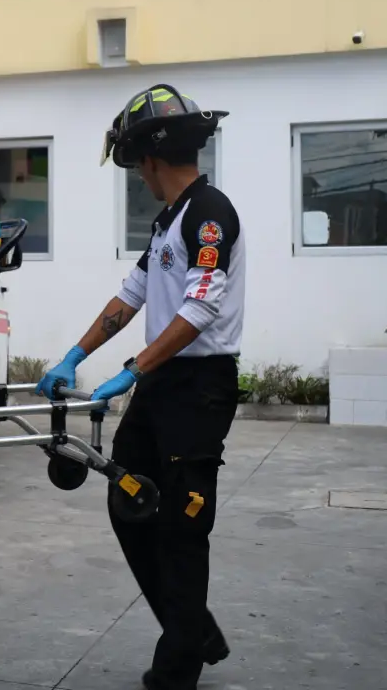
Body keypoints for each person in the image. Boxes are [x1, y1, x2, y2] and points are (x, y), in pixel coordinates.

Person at [37, 85, 242, 690]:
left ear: (150, 160)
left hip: (197, 389)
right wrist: (75, 355)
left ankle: (178, 667)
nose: (138, 177)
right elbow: (130, 297)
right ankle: (193, 627)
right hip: (160, 385)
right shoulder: (168, 222)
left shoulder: (210, 214)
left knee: (181, 527)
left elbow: (202, 308)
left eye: (136, 165)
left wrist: (134, 369)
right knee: (129, 502)